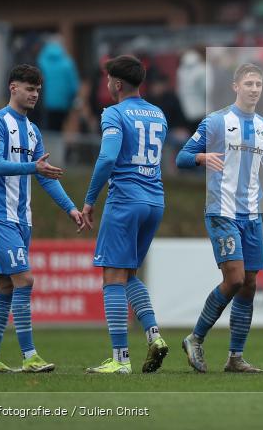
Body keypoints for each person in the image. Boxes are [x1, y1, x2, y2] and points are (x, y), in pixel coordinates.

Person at [177, 63, 263, 374]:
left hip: (252, 216)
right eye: (249, 83)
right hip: (222, 212)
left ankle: (235, 358)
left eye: (258, 83)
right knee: (235, 279)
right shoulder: (216, 122)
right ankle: (195, 338)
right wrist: (201, 157)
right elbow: (181, 157)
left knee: (250, 284)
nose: (254, 88)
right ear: (235, 86)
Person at [0, 64, 85, 373]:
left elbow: (46, 176)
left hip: (23, 219)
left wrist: (71, 209)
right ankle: (30, 356)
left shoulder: (34, 131)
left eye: (38, 90)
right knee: (25, 279)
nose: (35, 94)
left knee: (6, 288)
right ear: (13, 88)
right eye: (29, 88)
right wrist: (33, 168)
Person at [81, 55, 169, 374]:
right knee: (130, 273)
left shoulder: (114, 114)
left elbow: (106, 159)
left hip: (126, 201)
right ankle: (154, 335)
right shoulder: (158, 114)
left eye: (108, 80)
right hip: (155, 201)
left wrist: (90, 200)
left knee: (111, 276)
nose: (106, 84)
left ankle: (120, 360)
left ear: (117, 84)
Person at [36, 37, 80, 132]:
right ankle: (56, 146)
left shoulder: (40, 60)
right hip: (62, 105)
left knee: (44, 130)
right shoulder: (67, 62)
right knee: (58, 129)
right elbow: (73, 87)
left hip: (43, 103)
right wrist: (71, 100)